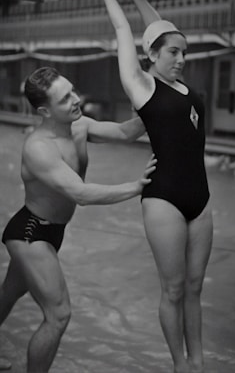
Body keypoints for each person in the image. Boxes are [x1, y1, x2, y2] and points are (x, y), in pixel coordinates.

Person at [0, 66, 156, 373]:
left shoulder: (80, 125)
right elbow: (81, 194)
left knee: (9, 292)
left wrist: (155, 101)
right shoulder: (39, 148)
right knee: (58, 315)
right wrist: (136, 187)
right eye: (64, 98)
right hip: (31, 233)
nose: (75, 99)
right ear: (45, 110)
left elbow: (126, 132)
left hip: (50, 231)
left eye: (72, 90)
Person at [99, 0, 213, 373]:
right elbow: (123, 30)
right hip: (164, 198)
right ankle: (180, 364)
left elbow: (160, 29)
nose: (181, 59)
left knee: (196, 288)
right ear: (152, 56)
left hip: (201, 200)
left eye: (184, 53)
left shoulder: (181, 85)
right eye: (173, 54)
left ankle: (198, 363)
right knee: (175, 288)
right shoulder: (143, 86)